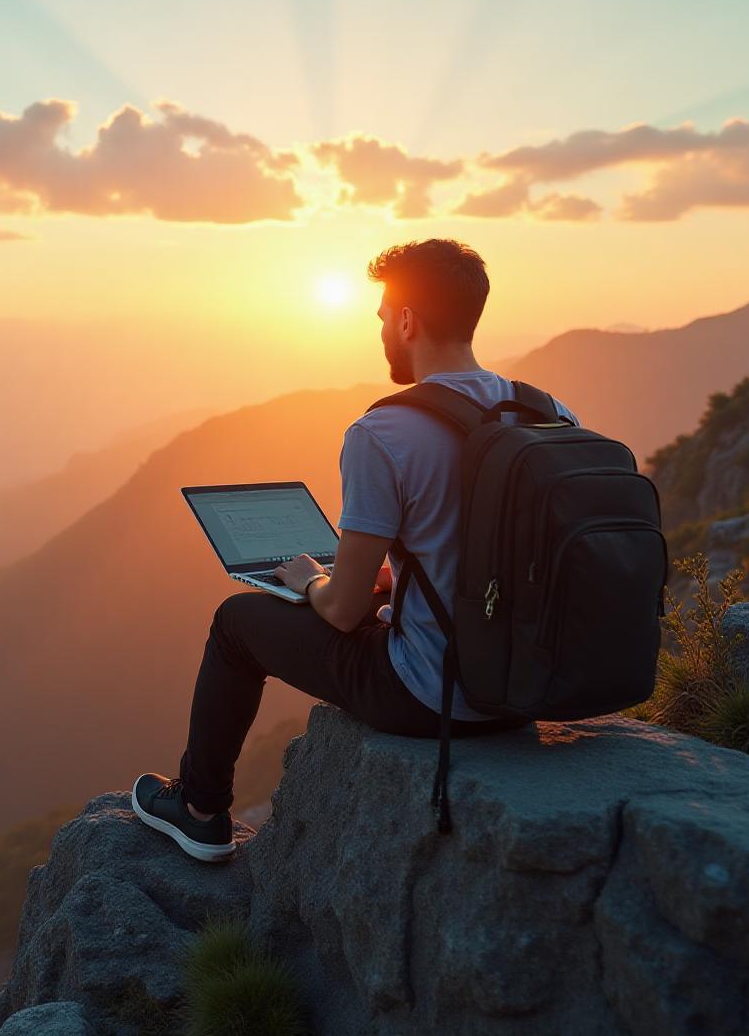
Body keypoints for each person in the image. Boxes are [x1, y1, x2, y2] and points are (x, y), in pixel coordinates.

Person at [132, 239, 562, 861]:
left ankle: (199, 811)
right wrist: (402, 580)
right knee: (367, 599)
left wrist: (311, 578)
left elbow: (338, 610)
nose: (381, 327)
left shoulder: (383, 432)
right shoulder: (546, 413)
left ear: (409, 319)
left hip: (432, 698)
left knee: (236, 622)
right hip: (528, 684)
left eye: (385, 314)